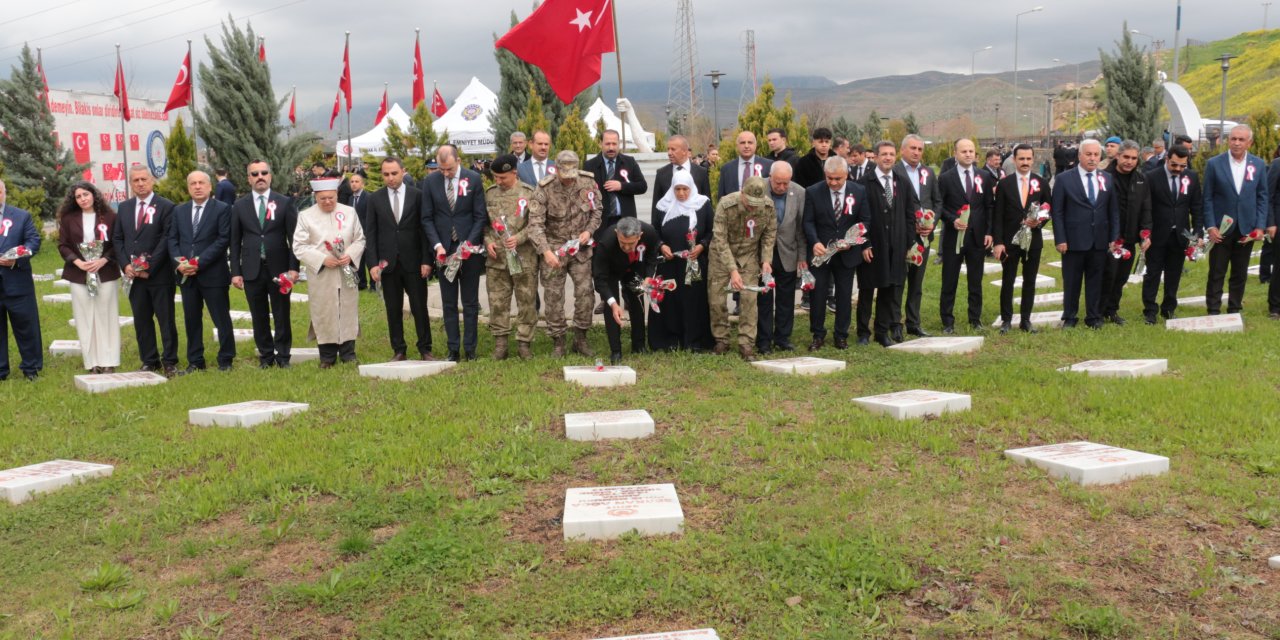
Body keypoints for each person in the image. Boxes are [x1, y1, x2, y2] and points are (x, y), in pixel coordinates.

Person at [528, 150, 602, 357]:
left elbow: (597, 210)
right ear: (557, 170)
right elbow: (534, 224)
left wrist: (589, 230)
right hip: (554, 250)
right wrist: (545, 251)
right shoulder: (544, 188)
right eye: (564, 176)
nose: (568, 181)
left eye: (572, 176)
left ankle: (581, 339)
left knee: (586, 293)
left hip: (581, 249)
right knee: (553, 297)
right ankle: (558, 341)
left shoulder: (588, 183)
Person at [230, 160, 299, 368]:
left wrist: (294, 268)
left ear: (270, 176)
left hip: (279, 268)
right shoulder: (239, 205)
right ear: (248, 178)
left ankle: (283, 356)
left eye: (264, 172)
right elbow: (234, 241)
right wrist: (235, 271)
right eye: (254, 174)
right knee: (258, 315)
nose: (260, 176)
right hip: (252, 269)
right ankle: (266, 356)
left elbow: (293, 237)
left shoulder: (284, 202)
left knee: (281, 314)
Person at [422, 144, 488, 361]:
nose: (445, 173)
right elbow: (427, 218)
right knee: (448, 302)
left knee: (469, 302)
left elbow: (480, 216)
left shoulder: (473, 179)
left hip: (469, 252)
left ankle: (470, 349)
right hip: (445, 251)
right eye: (441, 169)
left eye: (449, 169)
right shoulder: (431, 182)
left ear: (458, 161)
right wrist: (437, 245)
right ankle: (453, 349)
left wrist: (469, 244)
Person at [365, 156, 434, 361]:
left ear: (402, 171)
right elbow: (371, 233)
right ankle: (399, 349)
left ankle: (425, 347)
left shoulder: (417, 196)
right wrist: (373, 263)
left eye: (394, 173)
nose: (390, 178)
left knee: (419, 307)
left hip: (413, 261)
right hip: (388, 263)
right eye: (386, 174)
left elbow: (423, 230)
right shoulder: (375, 199)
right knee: (393, 308)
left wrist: (426, 260)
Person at [113, 165, 178, 375]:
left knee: (165, 319)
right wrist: (125, 266)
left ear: (152, 181)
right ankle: (149, 360)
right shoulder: (124, 208)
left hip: (158, 275)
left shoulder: (166, 206)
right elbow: (118, 238)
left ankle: (169, 361)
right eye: (135, 180)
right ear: (130, 184)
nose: (140, 184)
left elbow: (167, 238)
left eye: (144, 179)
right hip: (133, 276)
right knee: (141, 319)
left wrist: (149, 266)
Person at [293, 177, 365, 367]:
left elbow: (360, 239)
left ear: (337, 195)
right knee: (324, 310)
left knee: (347, 308)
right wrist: (323, 259)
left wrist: (349, 255)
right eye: (323, 198)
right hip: (322, 273)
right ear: (315, 196)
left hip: (345, 269)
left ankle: (348, 352)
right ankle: (327, 356)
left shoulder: (349, 212)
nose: (327, 202)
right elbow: (299, 246)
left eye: (331, 198)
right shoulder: (305, 216)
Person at [169, 171, 236, 372]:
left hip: (213, 274)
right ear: (188, 188)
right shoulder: (179, 211)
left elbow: (223, 239)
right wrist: (179, 262)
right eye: (193, 184)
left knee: (221, 318)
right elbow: (172, 238)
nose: (197, 187)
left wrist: (199, 262)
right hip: (186, 275)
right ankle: (195, 361)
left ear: (209, 186)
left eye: (201, 183)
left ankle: (226, 359)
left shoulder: (222, 209)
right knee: (191, 320)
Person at [1050, 139, 1121, 329]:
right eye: (1088, 154)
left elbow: (1113, 210)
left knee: (1095, 280)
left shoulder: (1106, 178)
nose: (1092, 158)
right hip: (1073, 240)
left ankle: (1093, 316)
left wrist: (1114, 237)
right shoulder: (1064, 179)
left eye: (1096, 154)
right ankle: (1070, 317)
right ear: (1080, 155)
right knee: (1072, 281)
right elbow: (1057, 211)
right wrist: (1061, 238)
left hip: (1099, 239)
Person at [1202, 124, 1271, 315]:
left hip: (1246, 228)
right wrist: (1210, 226)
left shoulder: (1257, 164)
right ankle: (1214, 309)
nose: (1237, 143)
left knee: (1240, 273)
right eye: (1233, 139)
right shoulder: (1215, 164)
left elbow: (1262, 196)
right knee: (1217, 272)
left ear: (1249, 142)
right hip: (1221, 229)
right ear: (1228, 140)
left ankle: (1234, 308)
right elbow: (1206, 197)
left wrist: (1259, 226)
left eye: (1241, 139)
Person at [803, 156, 869, 350]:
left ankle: (841, 335)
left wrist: (851, 240)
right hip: (821, 254)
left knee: (844, 294)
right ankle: (817, 334)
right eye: (829, 178)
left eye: (837, 179)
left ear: (846, 175)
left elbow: (865, 220)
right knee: (818, 295)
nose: (833, 182)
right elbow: (808, 221)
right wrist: (814, 242)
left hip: (847, 255)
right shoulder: (813, 192)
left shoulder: (859, 191)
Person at [859, 140, 919, 347]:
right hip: (872, 246)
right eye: (883, 154)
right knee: (867, 290)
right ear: (875, 157)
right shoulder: (864, 182)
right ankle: (863, 332)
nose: (888, 158)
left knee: (889, 289)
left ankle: (882, 331)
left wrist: (907, 242)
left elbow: (910, 215)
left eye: (891, 154)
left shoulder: (902, 181)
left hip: (896, 246)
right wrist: (864, 243)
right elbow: (859, 217)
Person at [708, 175, 775, 360]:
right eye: (749, 202)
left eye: (757, 203)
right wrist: (732, 270)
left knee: (749, 300)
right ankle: (721, 339)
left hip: (749, 255)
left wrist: (766, 260)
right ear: (742, 193)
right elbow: (720, 240)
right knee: (716, 299)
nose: (752, 207)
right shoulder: (725, 204)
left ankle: (746, 344)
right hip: (721, 255)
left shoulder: (768, 206)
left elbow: (769, 233)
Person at [57, 182, 122, 374]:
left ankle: (109, 360)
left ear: (94, 195)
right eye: (78, 196)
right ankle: (92, 362)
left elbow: (116, 243)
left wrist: (103, 260)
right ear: (74, 200)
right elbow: (63, 245)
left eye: (86, 194)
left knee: (106, 315)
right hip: (79, 274)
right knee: (84, 317)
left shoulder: (110, 217)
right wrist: (78, 262)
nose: (83, 199)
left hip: (105, 272)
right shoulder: (68, 219)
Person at [482, 155, 539, 360]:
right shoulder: (489, 194)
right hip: (497, 258)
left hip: (523, 257)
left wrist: (519, 238)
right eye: (495, 177)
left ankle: (524, 344)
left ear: (514, 173)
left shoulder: (529, 193)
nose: (498, 181)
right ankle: (500, 344)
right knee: (497, 302)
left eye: (503, 177)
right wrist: (488, 241)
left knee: (526, 301)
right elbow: (485, 224)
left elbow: (535, 224)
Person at [650, 169, 713, 352]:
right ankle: (672, 341)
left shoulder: (702, 205)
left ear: (691, 187)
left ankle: (694, 341)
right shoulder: (663, 206)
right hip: (669, 264)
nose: (681, 193)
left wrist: (701, 246)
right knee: (671, 302)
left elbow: (711, 231)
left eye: (685, 189)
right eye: (677, 189)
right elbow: (654, 231)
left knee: (693, 302)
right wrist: (662, 246)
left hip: (694, 263)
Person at [991, 144, 1051, 333]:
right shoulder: (1005, 184)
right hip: (1010, 241)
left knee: (1030, 280)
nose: (1025, 163)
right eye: (1021, 159)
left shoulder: (1041, 182)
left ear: (1033, 160)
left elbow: (1049, 208)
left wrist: (1039, 221)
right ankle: (1006, 320)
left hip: (1033, 241)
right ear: (1014, 160)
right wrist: (998, 242)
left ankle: (1026, 320)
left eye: (1028, 159)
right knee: (1008, 280)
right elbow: (997, 215)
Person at [1142, 144, 1202, 324]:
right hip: (1157, 235)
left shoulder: (1191, 177)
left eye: (1182, 166)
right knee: (1152, 274)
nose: (1178, 169)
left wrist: (1197, 232)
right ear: (1167, 159)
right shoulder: (1152, 177)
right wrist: (1146, 233)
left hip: (1180, 235)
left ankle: (1168, 308)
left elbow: (1197, 207)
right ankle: (1150, 310)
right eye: (1174, 165)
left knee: (1174, 273)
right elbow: (1146, 207)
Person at [937, 138, 992, 333]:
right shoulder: (945, 178)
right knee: (949, 280)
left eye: (971, 151)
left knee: (975, 281)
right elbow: (940, 206)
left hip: (977, 237)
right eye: (964, 151)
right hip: (954, 237)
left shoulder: (984, 176)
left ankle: (975, 318)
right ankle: (947, 321)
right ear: (955, 154)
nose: (968, 154)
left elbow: (988, 206)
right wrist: (952, 220)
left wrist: (989, 232)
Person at [1100, 140, 1153, 325]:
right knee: (1108, 275)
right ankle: (1098, 311)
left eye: (1133, 158)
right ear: (1117, 156)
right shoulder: (1105, 176)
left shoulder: (1141, 179)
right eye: (1126, 157)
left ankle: (1112, 310)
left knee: (1122, 277)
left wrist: (1146, 232)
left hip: (1130, 237)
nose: (1129, 161)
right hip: (1110, 239)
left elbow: (1146, 207)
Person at [593, 216, 660, 363]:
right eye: (623, 243)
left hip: (633, 268)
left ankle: (639, 345)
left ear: (640, 235)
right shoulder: (605, 242)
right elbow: (600, 279)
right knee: (612, 307)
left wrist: (649, 276)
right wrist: (611, 302)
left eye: (631, 243)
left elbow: (651, 257)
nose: (627, 248)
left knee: (637, 299)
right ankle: (616, 350)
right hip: (611, 271)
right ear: (617, 233)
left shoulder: (649, 233)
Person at [757, 162, 806, 353]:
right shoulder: (758, 188)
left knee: (786, 299)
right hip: (763, 255)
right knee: (764, 299)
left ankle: (783, 338)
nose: (782, 187)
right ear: (770, 177)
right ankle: (763, 340)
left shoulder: (799, 192)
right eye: (778, 183)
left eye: (786, 183)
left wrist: (802, 256)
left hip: (788, 252)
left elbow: (801, 228)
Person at [895, 134, 941, 337]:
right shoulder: (894, 171)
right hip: (901, 236)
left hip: (923, 237)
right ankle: (894, 324)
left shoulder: (928, 172)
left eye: (920, 149)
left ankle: (913, 323)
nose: (916, 152)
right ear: (903, 150)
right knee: (898, 281)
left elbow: (937, 202)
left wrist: (931, 223)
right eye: (912, 148)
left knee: (917, 282)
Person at [0, 179, 43, 381]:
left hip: (17, 281)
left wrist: (17, 258)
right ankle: (1, 370)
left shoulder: (21, 216)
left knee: (27, 327)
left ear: (4, 193)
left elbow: (33, 241)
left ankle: (31, 368)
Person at [585, 129, 648, 235]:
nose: (611, 148)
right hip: (601, 223)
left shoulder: (629, 162)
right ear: (600, 144)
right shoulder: (589, 165)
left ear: (619, 144)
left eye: (614, 144)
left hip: (626, 221)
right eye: (607, 144)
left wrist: (622, 186)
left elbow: (642, 186)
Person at [651, 135, 712, 225]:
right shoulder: (661, 173)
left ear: (684, 151)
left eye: (673, 149)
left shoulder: (701, 172)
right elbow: (656, 206)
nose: (669, 153)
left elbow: (707, 202)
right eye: (668, 149)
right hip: (669, 230)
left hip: (696, 230)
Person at [718, 131, 773, 198]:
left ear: (755, 145)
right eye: (742, 143)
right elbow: (721, 197)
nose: (746, 146)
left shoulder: (769, 165)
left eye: (750, 142)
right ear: (737, 145)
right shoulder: (726, 169)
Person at [345, 170, 372, 290]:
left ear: (362, 184)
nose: (354, 184)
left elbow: (370, 217)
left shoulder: (369, 198)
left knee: (369, 260)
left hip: (366, 233)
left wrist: (367, 233)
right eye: (352, 182)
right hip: (354, 235)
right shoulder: (350, 199)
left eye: (357, 181)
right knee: (358, 260)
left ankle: (373, 285)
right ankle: (361, 284)